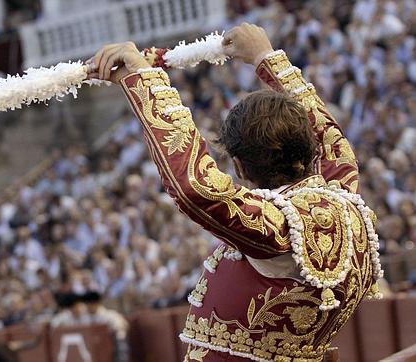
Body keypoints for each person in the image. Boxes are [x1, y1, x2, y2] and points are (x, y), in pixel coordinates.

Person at [87, 23, 381, 361]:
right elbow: (329, 138)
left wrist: (144, 80)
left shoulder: (279, 226)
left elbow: (195, 188)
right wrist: (264, 56)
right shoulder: (346, 197)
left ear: (239, 166)